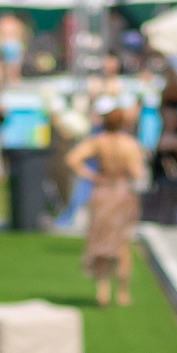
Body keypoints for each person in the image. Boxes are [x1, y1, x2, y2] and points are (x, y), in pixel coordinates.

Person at [67, 105, 147, 307]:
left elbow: (72, 159)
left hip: (102, 192)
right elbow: (136, 172)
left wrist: (92, 175)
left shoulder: (98, 141)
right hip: (121, 192)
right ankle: (122, 292)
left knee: (100, 241)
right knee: (121, 243)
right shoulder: (130, 144)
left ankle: (102, 289)